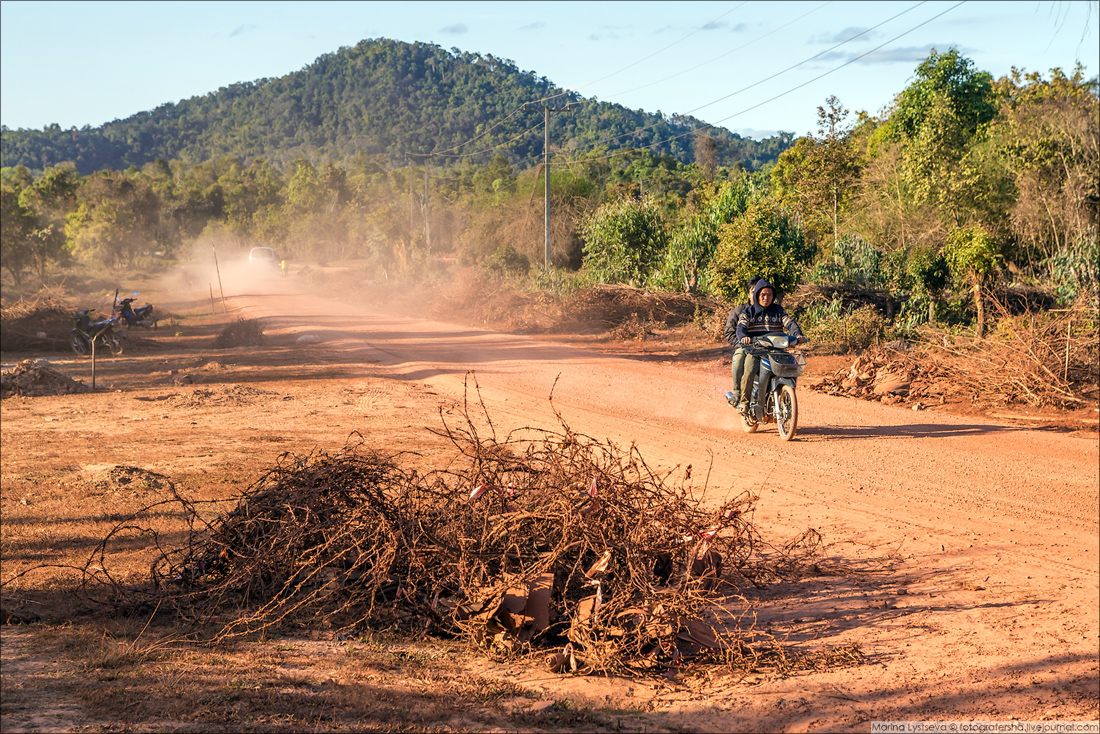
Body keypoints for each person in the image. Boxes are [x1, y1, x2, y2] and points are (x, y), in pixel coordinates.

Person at [735, 279, 806, 411]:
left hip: (776, 351)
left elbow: (789, 323)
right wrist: (744, 337)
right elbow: (741, 327)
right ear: (756, 295)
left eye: (769, 295)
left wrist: (798, 335)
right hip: (755, 351)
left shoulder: (778, 310)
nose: (766, 298)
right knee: (749, 370)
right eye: (762, 295)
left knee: (792, 367)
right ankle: (744, 402)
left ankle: (786, 398)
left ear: (773, 296)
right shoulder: (748, 311)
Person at [723, 275, 762, 409]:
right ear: (748, 294)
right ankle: (737, 393)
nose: (756, 295)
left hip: (766, 348)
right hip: (745, 347)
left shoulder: (771, 311)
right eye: (753, 292)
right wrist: (742, 344)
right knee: (739, 357)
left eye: (760, 292)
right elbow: (729, 332)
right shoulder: (740, 311)